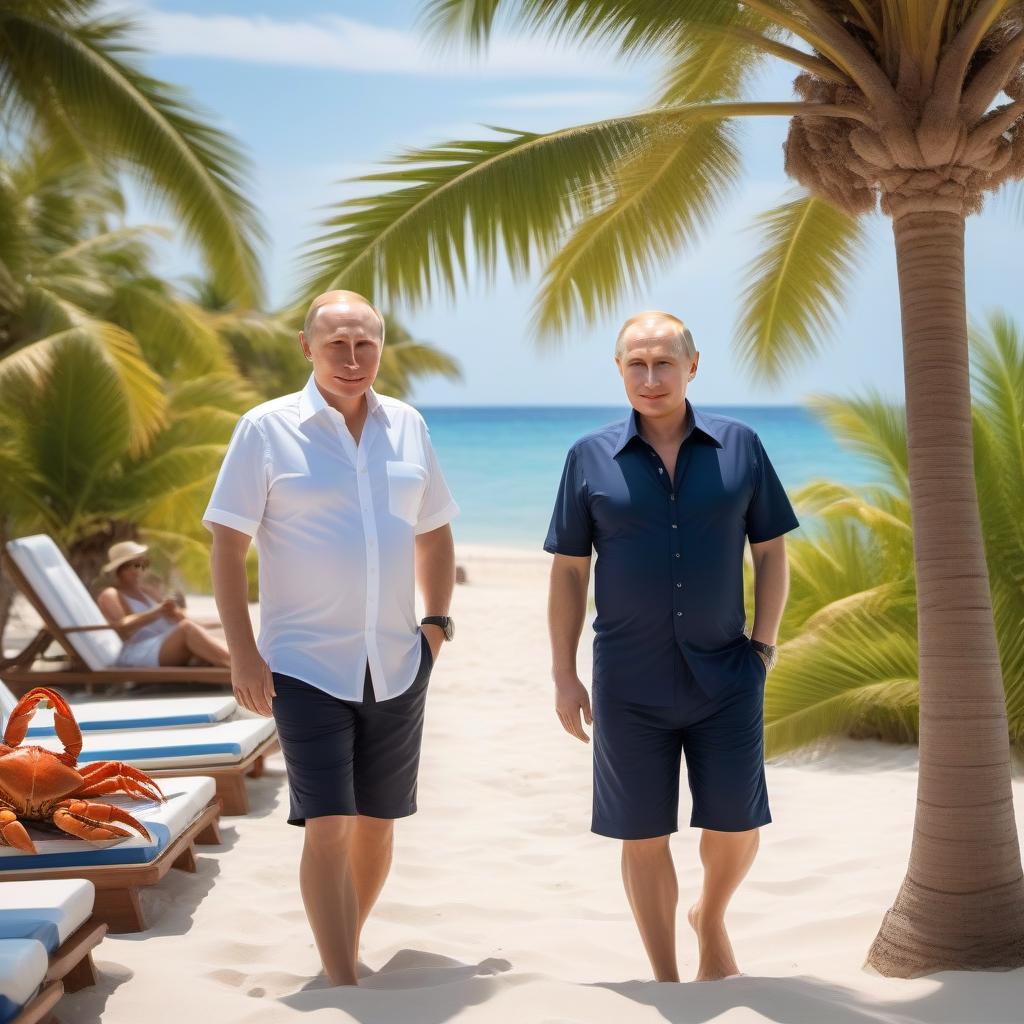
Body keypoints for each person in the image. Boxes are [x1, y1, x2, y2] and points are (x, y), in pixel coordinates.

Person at [203, 289, 458, 986]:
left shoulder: (407, 425)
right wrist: (243, 654)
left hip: (400, 662)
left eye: (365, 345)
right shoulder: (265, 429)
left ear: (381, 348)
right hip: (304, 665)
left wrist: (437, 624)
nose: (352, 359)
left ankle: (342, 944)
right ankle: (345, 980)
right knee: (331, 822)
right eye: (337, 344)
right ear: (306, 348)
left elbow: (434, 530)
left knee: (378, 821)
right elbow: (226, 548)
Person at [544, 311, 798, 982]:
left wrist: (763, 648)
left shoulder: (741, 446)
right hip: (627, 682)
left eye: (663, 363)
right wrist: (564, 677)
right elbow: (569, 571)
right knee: (641, 832)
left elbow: (770, 553)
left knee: (738, 824)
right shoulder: (587, 457)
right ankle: (666, 979)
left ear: (692, 366)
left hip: (727, 672)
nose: (650, 377)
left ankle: (709, 918)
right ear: (620, 370)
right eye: (636, 363)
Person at [96, 541, 231, 668]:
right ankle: (236, 665)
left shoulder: (147, 591)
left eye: (143, 564)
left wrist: (174, 613)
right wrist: (158, 612)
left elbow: (180, 618)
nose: (139, 570)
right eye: (134, 565)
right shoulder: (111, 594)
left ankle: (240, 661)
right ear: (120, 570)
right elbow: (122, 626)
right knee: (186, 629)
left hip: (163, 643)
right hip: (139, 651)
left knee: (221, 627)